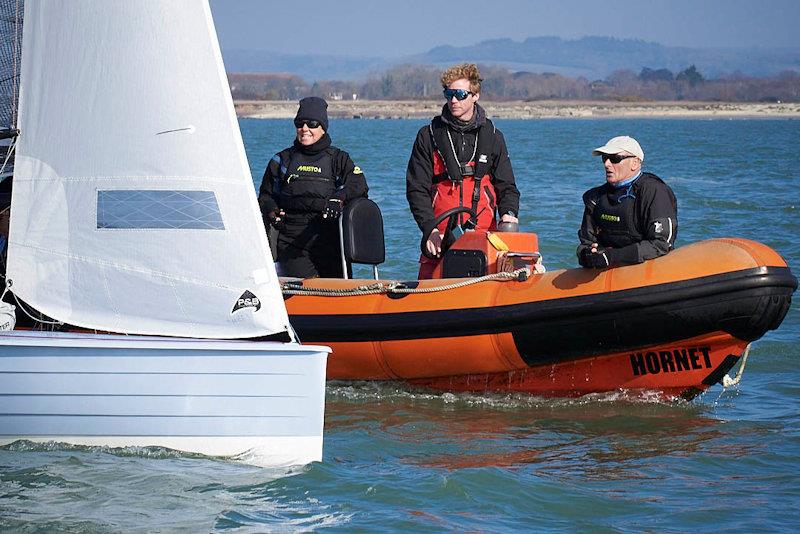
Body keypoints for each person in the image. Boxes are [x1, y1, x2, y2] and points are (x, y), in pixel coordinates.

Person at [406, 63, 520, 279]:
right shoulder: (427, 136)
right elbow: (416, 190)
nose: (453, 100)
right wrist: (430, 229)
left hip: (484, 237)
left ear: (475, 95)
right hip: (440, 238)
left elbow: (507, 187)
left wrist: (510, 214)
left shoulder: (493, 136)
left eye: (460, 94)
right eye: (448, 94)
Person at [258, 97, 368, 278]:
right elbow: (265, 196)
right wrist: (270, 209)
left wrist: (338, 197)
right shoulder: (281, 160)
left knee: (336, 293)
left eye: (312, 123)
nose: (305, 129)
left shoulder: (338, 159)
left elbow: (359, 185)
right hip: (292, 243)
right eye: (300, 123)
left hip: (331, 239)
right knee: (306, 288)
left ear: (323, 128)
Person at [577, 135, 677, 269]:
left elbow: (662, 243)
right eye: (604, 158)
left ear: (634, 163)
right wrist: (587, 255)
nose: (607, 164)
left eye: (614, 159)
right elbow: (585, 243)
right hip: (607, 277)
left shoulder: (654, 191)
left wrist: (613, 256)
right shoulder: (594, 198)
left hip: (646, 274)